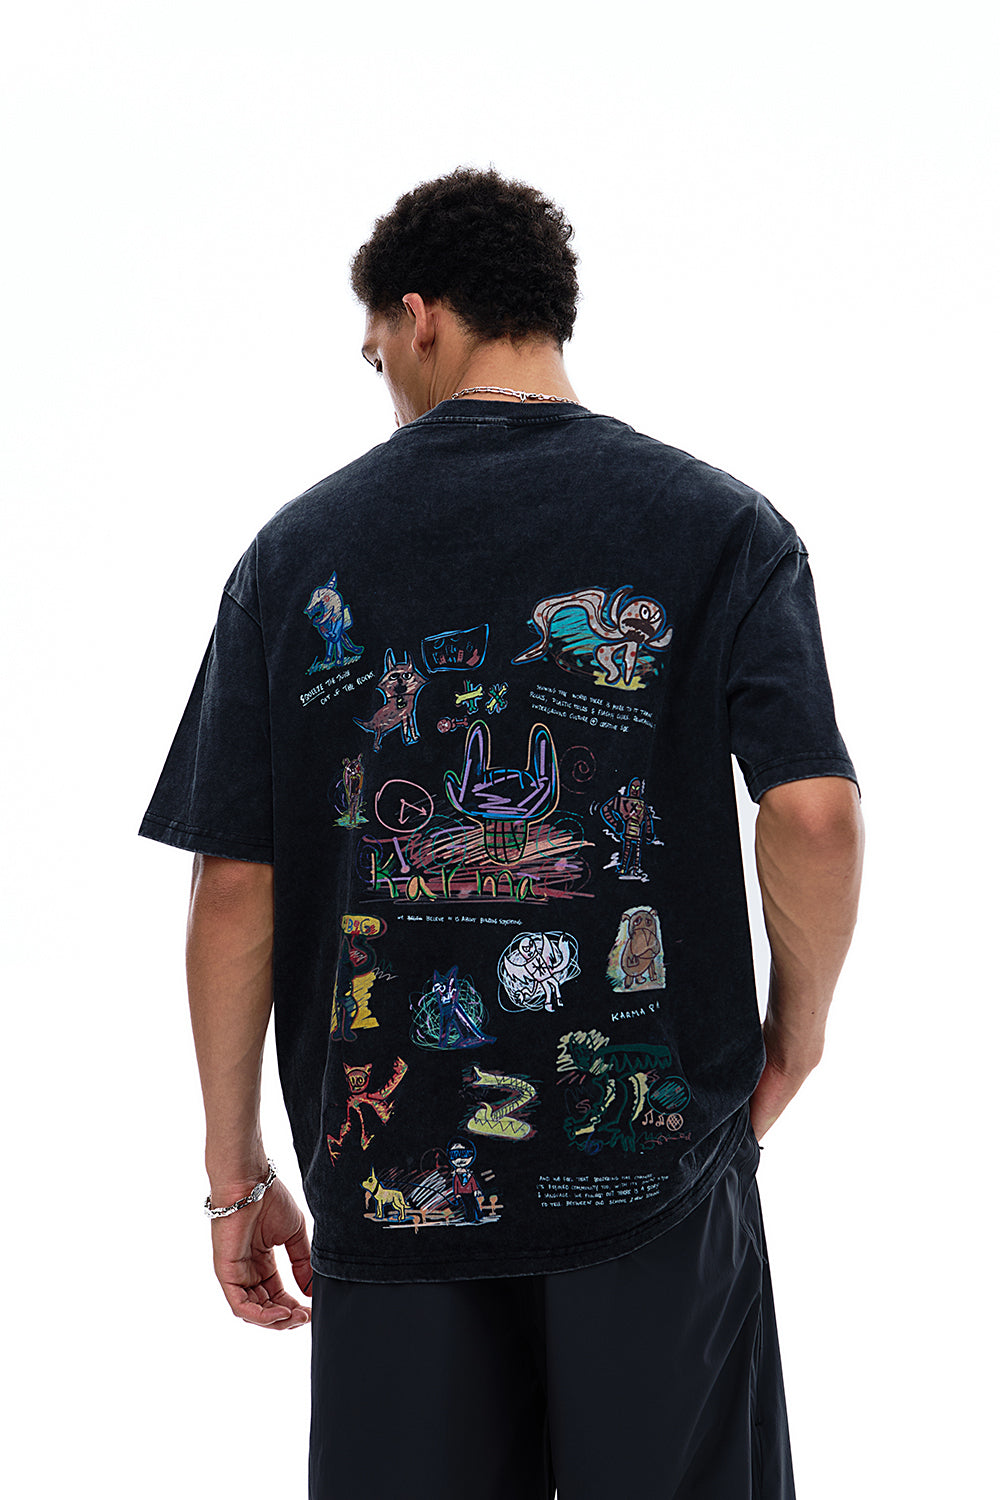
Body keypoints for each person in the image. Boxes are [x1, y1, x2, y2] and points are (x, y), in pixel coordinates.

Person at [140, 165, 864, 1499]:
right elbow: (815, 812)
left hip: (392, 1185)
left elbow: (235, 883)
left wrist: (235, 1174)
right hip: (653, 1170)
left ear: (420, 318)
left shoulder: (296, 555)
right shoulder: (721, 526)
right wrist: (797, 1033)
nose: (386, 386)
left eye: (377, 358)